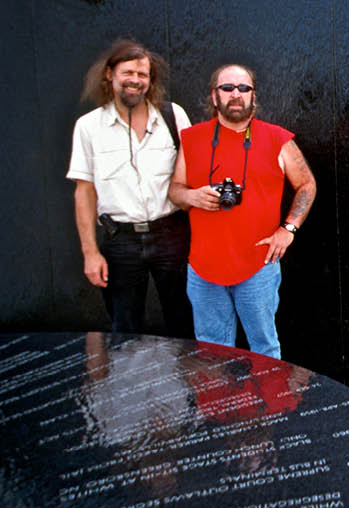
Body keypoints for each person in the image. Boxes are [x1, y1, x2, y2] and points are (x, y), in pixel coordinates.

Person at [169, 64, 316, 359]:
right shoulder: (192, 138)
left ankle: (269, 406)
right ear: (214, 96)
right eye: (227, 88)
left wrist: (288, 230)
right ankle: (217, 407)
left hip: (258, 265)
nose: (235, 94)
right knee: (211, 352)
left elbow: (307, 185)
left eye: (243, 88)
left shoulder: (277, 139)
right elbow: (175, 190)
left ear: (253, 96)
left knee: (264, 347)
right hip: (203, 267)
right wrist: (192, 196)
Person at [67, 39, 193, 338]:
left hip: (173, 234)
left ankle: (189, 384)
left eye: (143, 74)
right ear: (110, 74)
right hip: (120, 240)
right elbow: (84, 192)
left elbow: (192, 177)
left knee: (185, 321)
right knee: (125, 329)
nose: (135, 80)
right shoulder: (88, 127)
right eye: (128, 72)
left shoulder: (173, 116)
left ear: (150, 81)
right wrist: (90, 253)